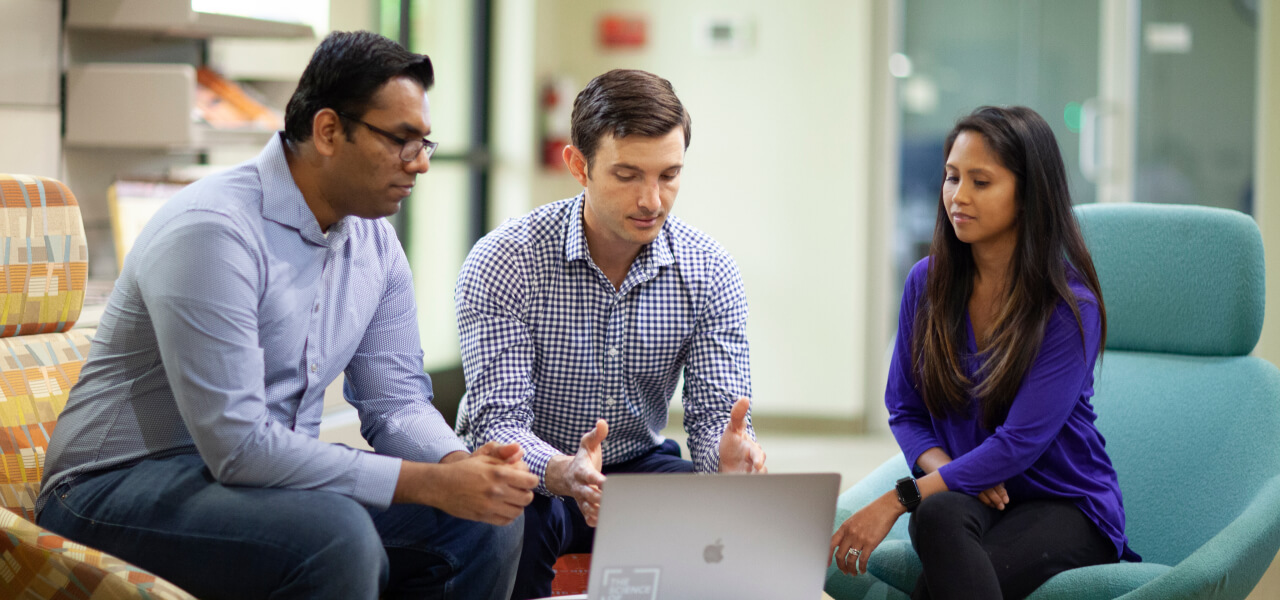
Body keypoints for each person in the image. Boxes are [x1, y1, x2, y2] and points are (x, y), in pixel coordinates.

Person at [37, 31, 538, 600]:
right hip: (113, 488)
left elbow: (395, 401)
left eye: (425, 141)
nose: (421, 163)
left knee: (484, 523)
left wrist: (461, 469)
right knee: (335, 538)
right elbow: (238, 446)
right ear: (328, 131)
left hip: (267, 485)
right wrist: (430, 483)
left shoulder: (374, 242)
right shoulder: (214, 229)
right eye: (402, 140)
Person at [452, 68, 768, 599]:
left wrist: (727, 461)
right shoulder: (506, 260)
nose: (653, 200)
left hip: (636, 464)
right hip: (529, 468)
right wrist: (562, 470)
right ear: (578, 165)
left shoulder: (710, 270)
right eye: (628, 175)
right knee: (512, 516)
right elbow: (496, 422)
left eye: (669, 175)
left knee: (725, 522)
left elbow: (717, 417)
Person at [829, 106, 1140, 599]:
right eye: (953, 178)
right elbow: (905, 411)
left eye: (981, 181)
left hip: (1065, 503)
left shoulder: (1068, 308)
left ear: (1027, 196)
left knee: (939, 581)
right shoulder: (925, 283)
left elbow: (1019, 443)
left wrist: (898, 497)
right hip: (972, 491)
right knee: (933, 515)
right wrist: (949, 473)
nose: (959, 196)